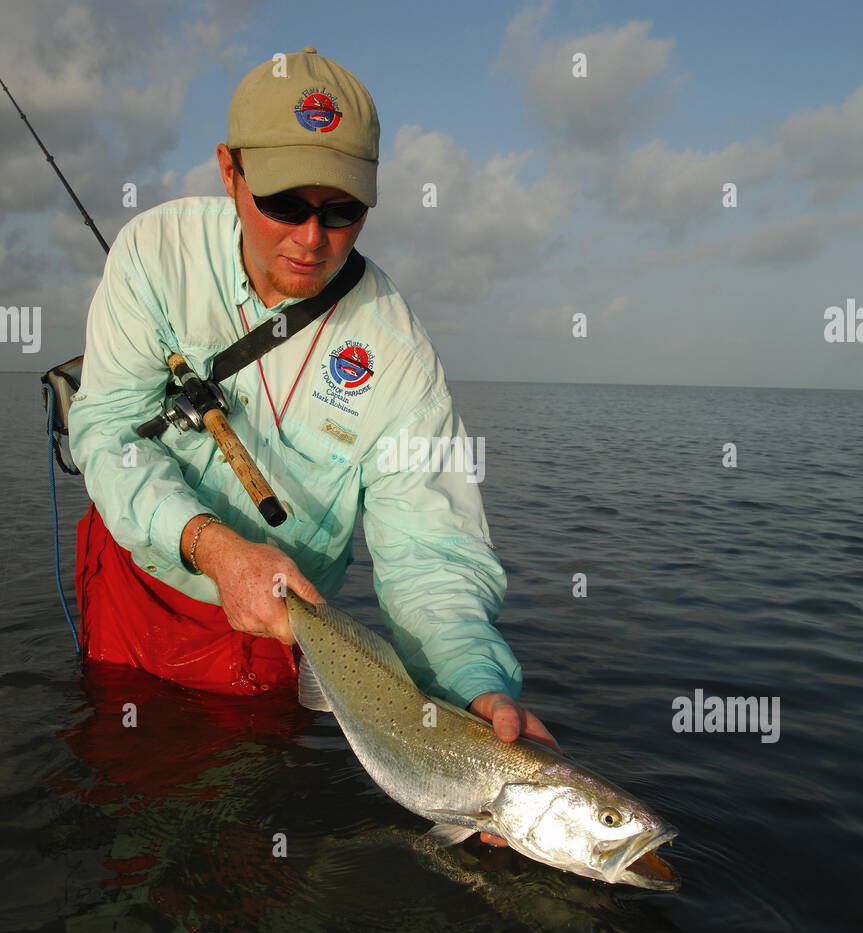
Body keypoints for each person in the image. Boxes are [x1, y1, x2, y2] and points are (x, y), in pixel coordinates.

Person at [69, 46, 560, 828]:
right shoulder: (153, 256)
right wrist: (211, 545)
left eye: (341, 211)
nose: (311, 237)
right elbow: (104, 430)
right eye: (284, 203)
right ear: (229, 172)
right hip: (136, 581)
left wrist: (478, 688)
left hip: (279, 633)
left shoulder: (399, 357)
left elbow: (430, 554)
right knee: (123, 799)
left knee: (247, 845)